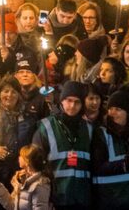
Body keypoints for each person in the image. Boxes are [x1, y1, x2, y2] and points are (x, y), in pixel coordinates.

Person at [32, 81, 93, 210]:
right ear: (61, 101)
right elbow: (35, 163)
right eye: (69, 100)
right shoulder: (46, 126)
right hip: (56, 197)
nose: (72, 105)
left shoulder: (89, 128)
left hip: (82, 197)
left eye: (77, 102)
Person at [0, 143, 54, 210]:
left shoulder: (40, 185)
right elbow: (12, 206)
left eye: (21, 155)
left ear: (27, 161)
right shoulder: (22, 181)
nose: (18, 157)